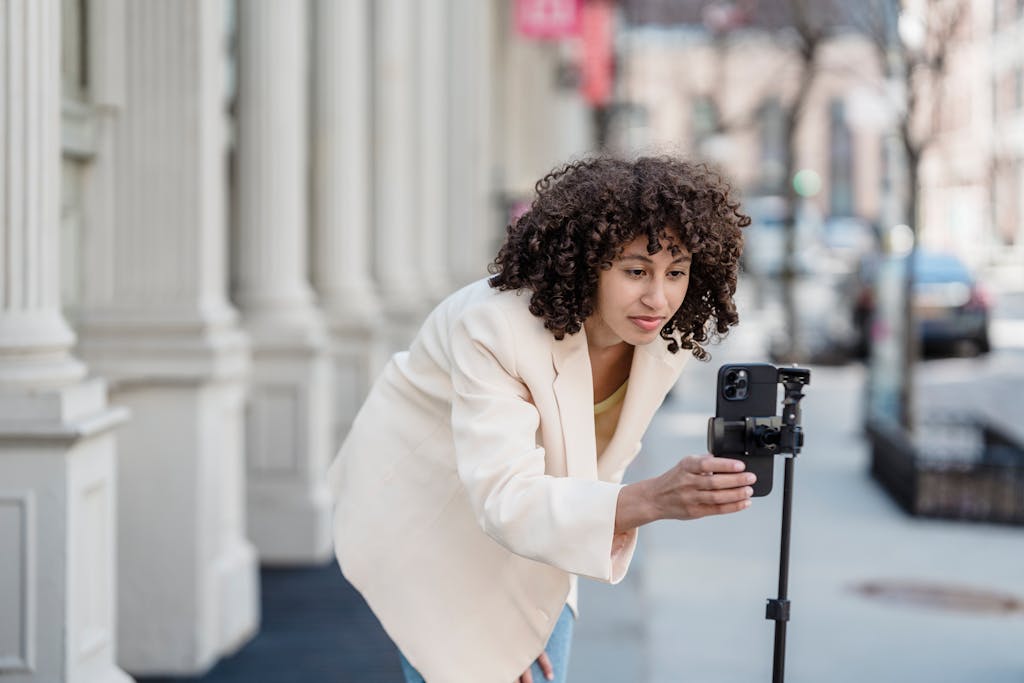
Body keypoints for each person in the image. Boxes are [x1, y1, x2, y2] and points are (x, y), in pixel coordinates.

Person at [327, 155, 753, 683]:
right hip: (426, 515)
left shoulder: (660, 337)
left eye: (677, 272)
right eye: (636, 270)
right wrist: (653, 500)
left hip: (531, 519)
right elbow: (505, 496)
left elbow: (574, 479)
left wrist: (524, 622)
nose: (658, 297)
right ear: (586, 261)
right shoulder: (493, 327)